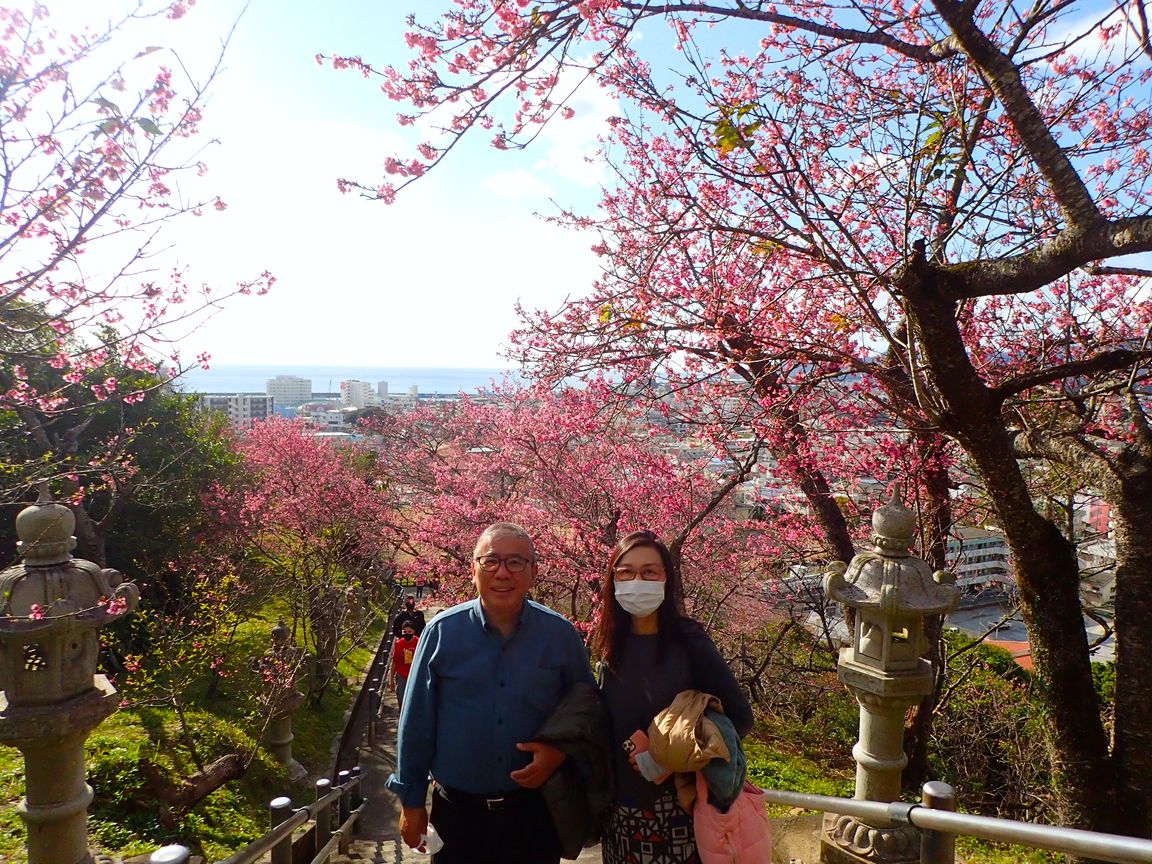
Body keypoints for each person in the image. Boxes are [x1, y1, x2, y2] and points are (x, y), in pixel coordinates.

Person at [386, 522, 596, 864]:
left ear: (534, 572)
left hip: (534, 812)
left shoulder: (560, 636)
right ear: (473, 570)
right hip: (457, 815)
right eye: (491, 561)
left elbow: (588, 712)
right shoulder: (441, 634)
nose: (502, 573)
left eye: (516, 562)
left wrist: (559, 753)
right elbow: (417, 724)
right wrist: (411, 802)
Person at [591, 531, 754, 864]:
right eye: (626, 572)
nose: (638, 580)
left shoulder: (688, 641)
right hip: (621, 811)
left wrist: (671, 756)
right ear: (613, 579)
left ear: (666, 578)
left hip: (680, 811)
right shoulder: (610, 646)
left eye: (650, 571)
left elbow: (739, 718)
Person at [390, 621, 419, 712]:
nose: (407, 634)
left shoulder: (419, 642)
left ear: (413, 631)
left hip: (414, 674)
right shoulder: (399, 644)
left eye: (409, 632)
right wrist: (391, 680)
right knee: (401, 696)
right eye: (404, 632)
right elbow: (394, 662)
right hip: (401, 675)